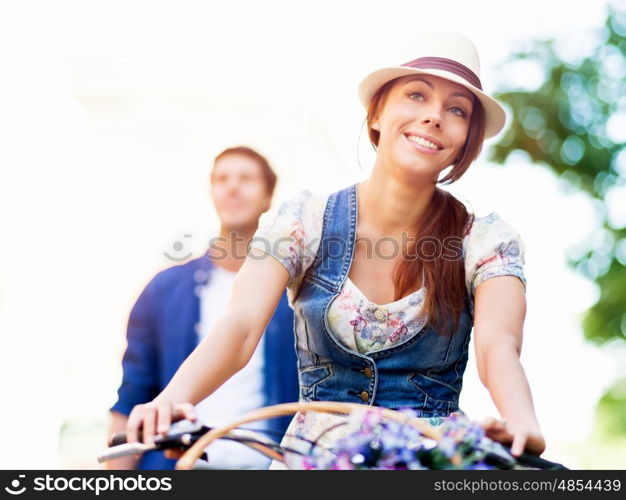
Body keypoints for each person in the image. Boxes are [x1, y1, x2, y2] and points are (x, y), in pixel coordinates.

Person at [124, 32, 546, 468]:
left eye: (456, 109)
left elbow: (499, 344)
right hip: (313, 461)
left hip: (426, 461)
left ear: (467, 139)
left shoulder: (487, 241)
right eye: (416, 95)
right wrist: (171, 400)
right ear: (377, 113)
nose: (434, 116)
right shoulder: (302, 220)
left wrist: (521, 421)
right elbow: (241, 326)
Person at [108, 146, 299, 470]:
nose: (233, 186)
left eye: (246, 178)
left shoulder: (295, 294)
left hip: (267, 466)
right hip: (177, 466)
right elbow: (133, 394)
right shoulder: (164, 289)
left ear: (269, 197)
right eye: (222, 178)